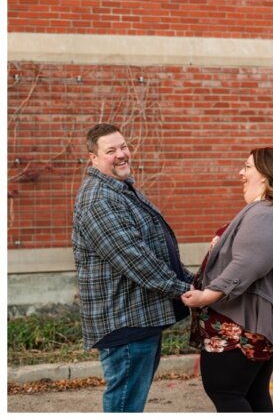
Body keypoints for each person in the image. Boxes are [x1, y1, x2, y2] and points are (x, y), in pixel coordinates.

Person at [72, 123, 193, 412]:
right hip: (124, 321)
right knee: (125, 406)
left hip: (139, 318)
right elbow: (136, 260)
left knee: (130, 403)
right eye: (111, 150)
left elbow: (154, 248)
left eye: (123, 146)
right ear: (94, 158)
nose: (121, 154)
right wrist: (185, 289)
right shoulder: (99, 200)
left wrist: (191, 278)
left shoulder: (120, 190)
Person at [180, 147, 273, 412]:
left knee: (226, 393)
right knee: (253, 395)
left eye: (247, 167)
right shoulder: (268, 211)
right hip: (247, 322)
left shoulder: (266, 214)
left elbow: (247, 265)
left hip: (239, 326)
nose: (240, 173)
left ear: (266, 176)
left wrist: (207, 296)